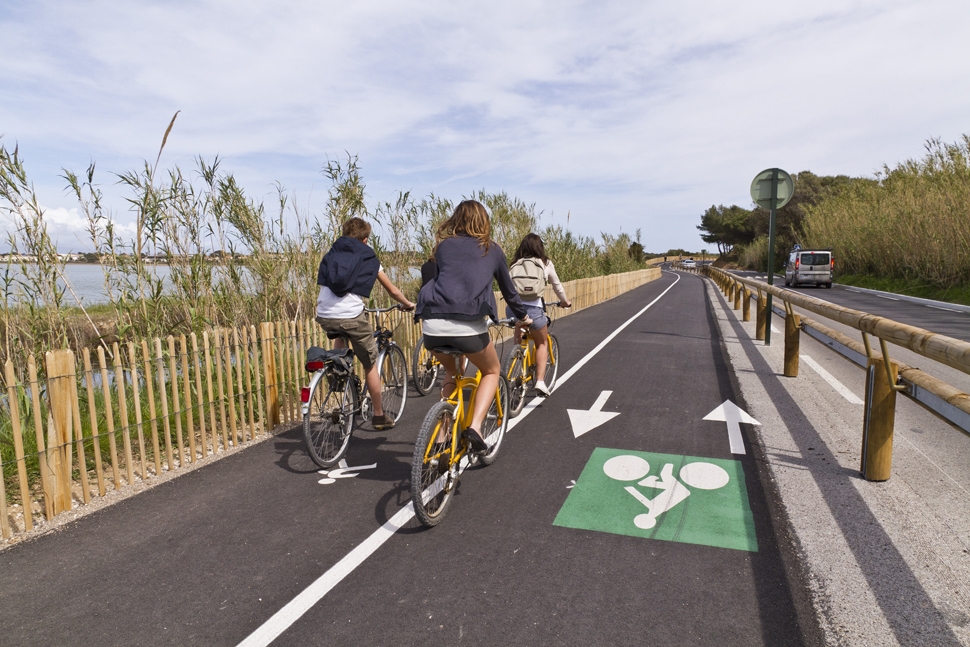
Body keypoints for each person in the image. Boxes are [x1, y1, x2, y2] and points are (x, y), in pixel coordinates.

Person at [414, 200, 531, 452]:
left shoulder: (443, 247)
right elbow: (510, 293)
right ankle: (476, 427)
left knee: (452, 373)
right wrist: (523, 316)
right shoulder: (492, 249)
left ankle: (443, 433)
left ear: (456, 220)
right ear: (483, 222)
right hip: (468, 327)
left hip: (432, 326)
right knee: (491, 371)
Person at [315, 217, 414, 430]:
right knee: (369, 363)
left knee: (340, 337)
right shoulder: (367, 256)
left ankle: (339, 377)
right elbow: (392, 290)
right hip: (350, 316)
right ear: (365, 239)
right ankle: (379, 415)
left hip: (324, 314)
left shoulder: (331, 254)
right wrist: (407, 303)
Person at [506, 233, 571, 397]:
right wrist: (565, 301)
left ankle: (518, 354)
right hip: (534, 310)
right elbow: (557, 286)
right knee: (541, 342)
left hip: (513, 310)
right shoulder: (546, 264)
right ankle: (540, 381)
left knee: (520, 328)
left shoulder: (515, 264)